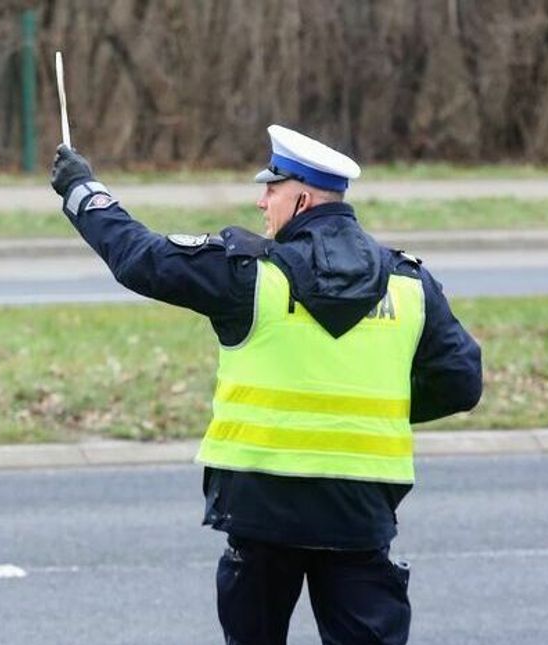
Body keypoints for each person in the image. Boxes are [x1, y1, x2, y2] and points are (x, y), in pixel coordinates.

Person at [50, 124, 482, 645]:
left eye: (271, 188)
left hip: (261, 509)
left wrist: (83, 192)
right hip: (360, 513)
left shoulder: (250, 276)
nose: (261, 202)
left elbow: (141, 259)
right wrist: (369, 410)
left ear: (301, 198)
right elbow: (461, 384)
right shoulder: (410, 283)